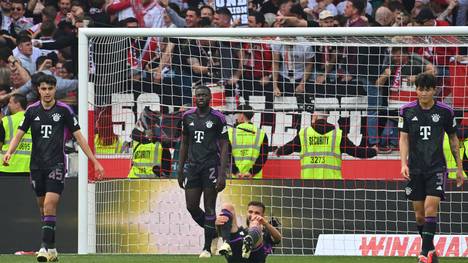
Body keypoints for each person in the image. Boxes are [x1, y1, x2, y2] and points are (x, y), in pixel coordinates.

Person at [2, 74, 104, 262]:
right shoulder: (32, 111)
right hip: (36, 166)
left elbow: (80, 138)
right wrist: (10, 152)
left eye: (50, 88)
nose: (47, 92)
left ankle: (42, 249)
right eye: (43, 89)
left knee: (49, 205)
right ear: (38, 90)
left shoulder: (64, 110)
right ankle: (53, 249)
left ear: (55, 89)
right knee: (44, 210)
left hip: (56, 164)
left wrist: (94, 161)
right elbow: (18, 134)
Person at [399, 73, 464, 263]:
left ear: (434, 90)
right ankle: (431, 251)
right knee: (419, 216)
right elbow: (403, 138)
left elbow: (453, 140)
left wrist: (459, 168)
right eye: (420, 89)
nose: (424, 93)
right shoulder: (406, 110)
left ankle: (424, 253)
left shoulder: (446, 111)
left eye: (428, 89)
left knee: (430, 209)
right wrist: (403, 163)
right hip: (415, 168)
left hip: (437, 167)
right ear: (416, 90)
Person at [177, 85, 229, 258]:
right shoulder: (187, 116)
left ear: (209, 97)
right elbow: (184, 143)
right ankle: (215, 233)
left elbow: (224, 146)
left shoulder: (218, 118)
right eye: (198, 95)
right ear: (194, 97)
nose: (201, 97)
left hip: (211, 167)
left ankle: (206, 248)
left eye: (204, 95)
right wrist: (179, 169)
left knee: (209, 207)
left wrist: (222, 174)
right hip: (192, 167)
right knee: (191, 206)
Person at [276, 111, 377, 179]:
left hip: (308, 181)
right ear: (327, 117)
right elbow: (356, 151)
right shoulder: (337, 134)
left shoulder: (304, 133)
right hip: (332, 182)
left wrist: (279, 151)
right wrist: (374, 151)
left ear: (314, 116)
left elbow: (289, 148)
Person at [216, 201, 282, 263]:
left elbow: (278, 239)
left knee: (256, 223)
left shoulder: (265, 233)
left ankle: (249, 242)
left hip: (255, 258)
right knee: (227, 206)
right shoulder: (240, 230)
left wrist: (265, 223)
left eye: (257, 213)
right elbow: (220, 234)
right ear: (247, 212)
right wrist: (218, 224)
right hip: (236, 257)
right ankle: (226, 242)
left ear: (262, 216)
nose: (253, 215)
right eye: (250, 212)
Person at [228, 105, 268, 179]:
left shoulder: (230, 133)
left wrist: (236, 172)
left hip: (235, 177)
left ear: (242, 115)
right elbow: (263, 157)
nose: (236, 118)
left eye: (237, 114)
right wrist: (251, 172)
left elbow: (227, 156)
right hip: (255, 178)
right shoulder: (261, 133)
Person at [0, 94, 31, 176]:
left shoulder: (6, 121)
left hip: (6, 166)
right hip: (28, 167)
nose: (8, 105)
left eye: (10, 102)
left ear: (18, 104)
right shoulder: (34, 120)